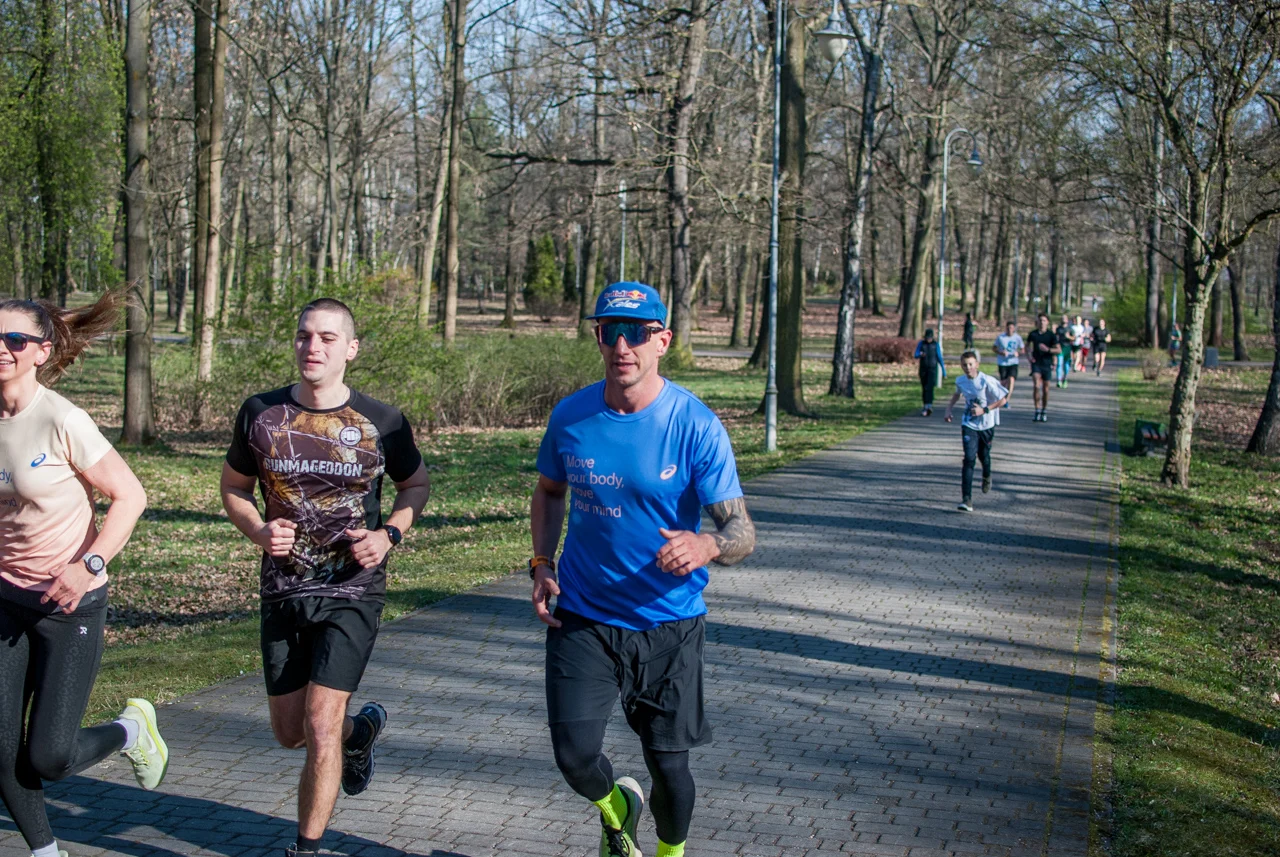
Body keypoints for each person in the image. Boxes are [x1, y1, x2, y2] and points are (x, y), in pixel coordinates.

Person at [530, 282, 756, 857]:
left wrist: (707, 546)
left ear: (663, 341)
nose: (622, 346)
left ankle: (669, 852)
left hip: (668, 625)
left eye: (636, 334)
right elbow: (550, 491)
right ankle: (617, 808)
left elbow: (742, 532)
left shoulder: (694, 423)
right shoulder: (572, 416)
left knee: (670, 773)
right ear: (598, 338)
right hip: (584, 616)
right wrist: (541, 562)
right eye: (610, 332)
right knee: (575, 757)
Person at [220, 299, 432, 857]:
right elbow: (234, 489)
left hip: (352, 590)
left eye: (328, 338)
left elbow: (416, 487)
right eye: (304, 336)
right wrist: (259, 531)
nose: (313, 347)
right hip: (283, 587)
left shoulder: (383, 422)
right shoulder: (260, 414)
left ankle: (307, 849)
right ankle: (358, 736)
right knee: (290, 732)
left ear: (351, 349)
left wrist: (388, 534)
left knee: (319, 721)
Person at [0, 295, 168, 857]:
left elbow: (130, 496)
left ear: (41, 352)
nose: (1, 349)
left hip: (69, 603)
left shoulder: (62, 418)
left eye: (14, 341)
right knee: (0, 749)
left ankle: (129, 730)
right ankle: (46, 852)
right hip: (5, 598)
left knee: (47, 756)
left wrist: (88, 564)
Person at [945, 350, 1009, 512]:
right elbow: (957, 394)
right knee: (969, 458)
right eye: (965, 365)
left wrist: (985, 410)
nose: (968, 368)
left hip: (987, 424)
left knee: (984, 456)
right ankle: (967, 499)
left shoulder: (987, 381)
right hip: (969, 424)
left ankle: (987, 475)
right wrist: (948, 409)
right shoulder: (961, 381)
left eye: (971, 364)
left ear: (977, 365)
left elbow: (1003, 400)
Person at [1027, 312, 1060, 422]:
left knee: (1046, 389)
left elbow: (1058, 349)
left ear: (1047, 322)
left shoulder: (1051, 335)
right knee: (1036, 385)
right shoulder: (1033, 334)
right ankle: (1037, 410)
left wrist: (1048, 350)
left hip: (1047, 363)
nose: (1042, 322)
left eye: (1044, 320)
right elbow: (1027, 347)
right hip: (1036, 363)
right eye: (1040, 320)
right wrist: (1029, 357)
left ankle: (1044, 410)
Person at [992, 321, 1023, 407]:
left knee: (1011, 379)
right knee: (1003, 382)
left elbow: (1023, 349)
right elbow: (994, 348)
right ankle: (1000, 397)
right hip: (1002, 362)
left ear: (1014, 329)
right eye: (1008, 328)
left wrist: (1018, 353)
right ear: (1006, 328)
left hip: (1013, 362)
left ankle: (1006, 399)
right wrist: (1001, 352)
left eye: (1012, 328)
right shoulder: (1001, 337)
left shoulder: (1017, 338)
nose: (1010, 330)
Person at [914, 329, 945, 416]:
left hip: (932, 369)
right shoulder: (921, 344)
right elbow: (915, 355)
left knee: (929, 388)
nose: (928, 339)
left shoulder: (935, 345)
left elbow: (939, 358)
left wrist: (943, 371)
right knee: (924, 388)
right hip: (923, 369)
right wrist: (920, 354)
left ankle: (929, 406)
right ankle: (925, 405)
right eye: (927, 337)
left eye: (930, 337)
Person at [1054, 314, 1074, 387]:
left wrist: (1069, 337)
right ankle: (1059, 380)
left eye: (1065, 318)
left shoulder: (1070, 329)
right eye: (1062, 318)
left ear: (1067, 320)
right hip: (1060, 348)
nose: (1063, 320)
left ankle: (1065, 378)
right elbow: (1055, 337)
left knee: (1066, 365)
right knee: (1059, 364)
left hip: (1067, 348)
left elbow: (1074, 338)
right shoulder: (1058, 329)